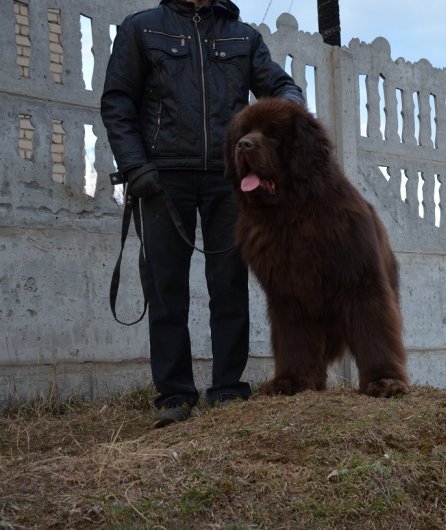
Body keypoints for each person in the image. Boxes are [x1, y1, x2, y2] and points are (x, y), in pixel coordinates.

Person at [101, 0, 304, 428]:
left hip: (230, 178)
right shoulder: (141, 29)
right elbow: (118, 103)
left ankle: (229, 388)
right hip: (163, 175)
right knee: (166, 288)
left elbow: (281, 85)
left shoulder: (243, 36)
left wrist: (287, 110)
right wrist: (135, 165)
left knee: (229, 285)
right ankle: (175, 394)